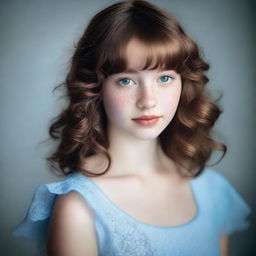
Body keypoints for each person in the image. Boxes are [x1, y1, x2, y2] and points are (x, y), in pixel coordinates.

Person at [12, 0, 251, 255]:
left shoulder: (211, 190)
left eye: (165, 78)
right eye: (126, 80)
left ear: (183, 83)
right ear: (96, 88)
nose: (148, 101)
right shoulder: (79, 206)